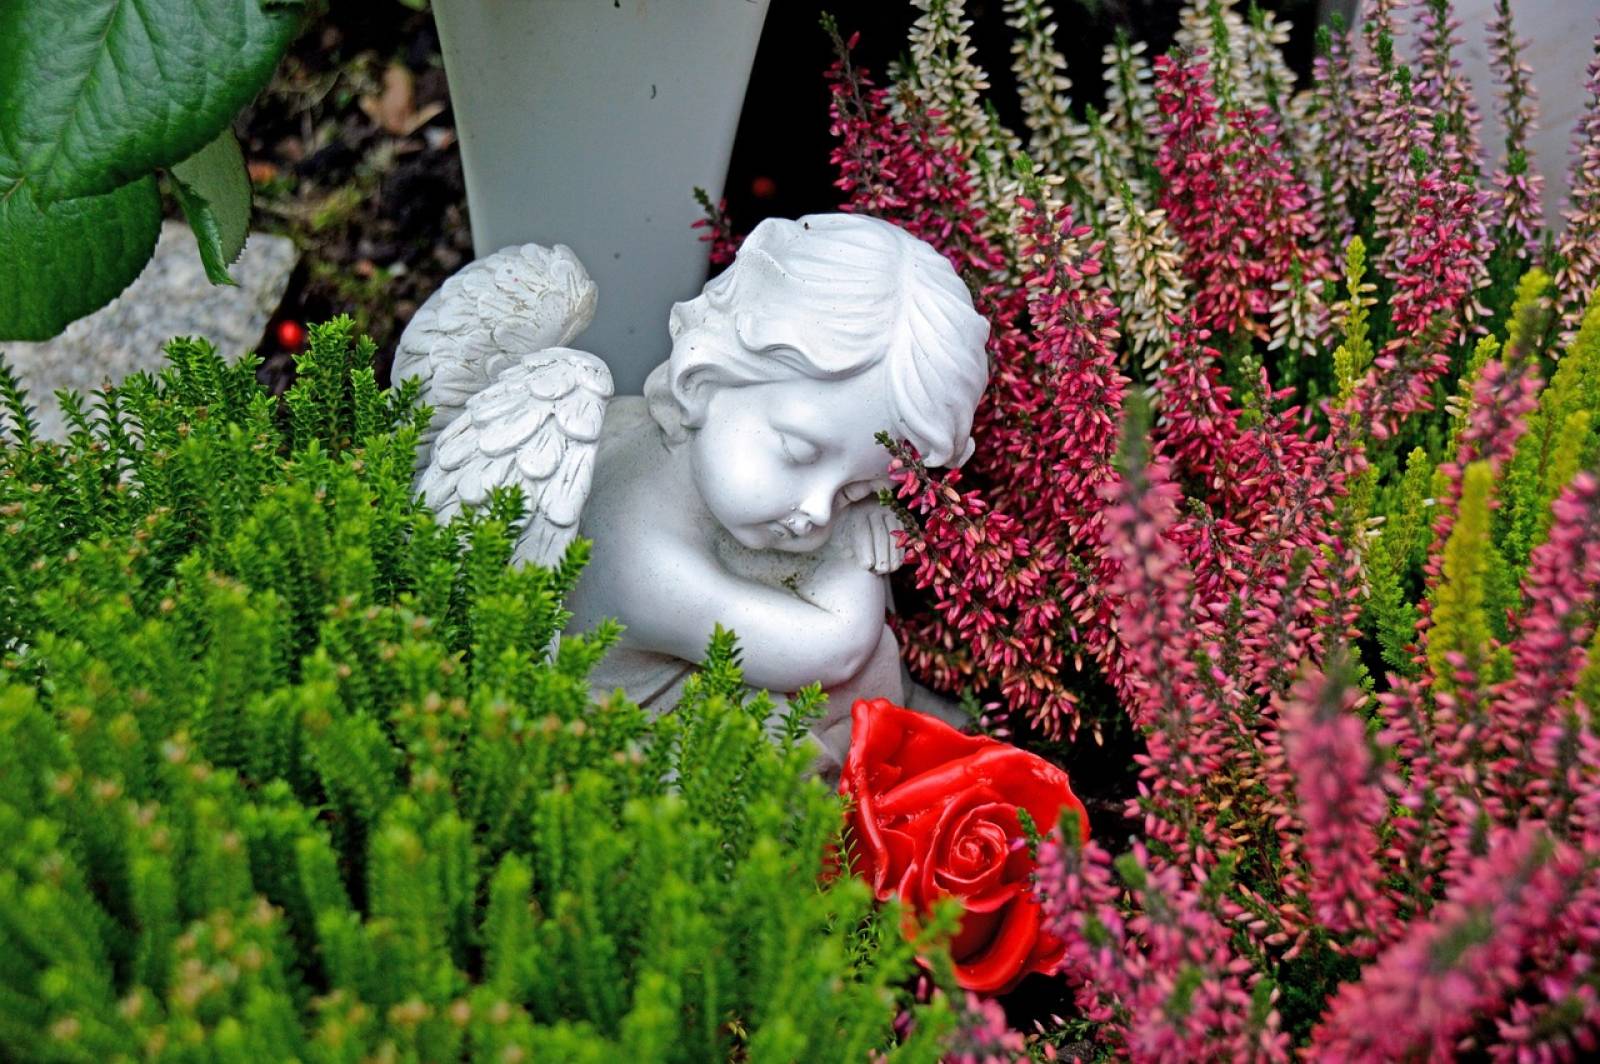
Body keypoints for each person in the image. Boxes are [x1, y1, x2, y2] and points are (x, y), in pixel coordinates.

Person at [565, 213, 990, 775]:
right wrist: (851, 550)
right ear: (704, 379)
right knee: (833, 697)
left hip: (727, 672)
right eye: (800, 452)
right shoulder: (642, 562)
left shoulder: (692, 462)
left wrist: (860, 505)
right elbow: (834, 648)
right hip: (636, 764)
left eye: (859, 488)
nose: (819, 509)